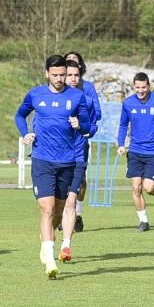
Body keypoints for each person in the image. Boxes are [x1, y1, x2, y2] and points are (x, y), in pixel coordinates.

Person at [15, 55, 90, 278]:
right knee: (47, 208)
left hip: (67, 161)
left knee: (59, 208)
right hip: (42, 159)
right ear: (47, 73)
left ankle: (48, 243)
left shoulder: (76, 97)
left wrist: (80, 124)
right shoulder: (36, 94)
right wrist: (24, 133)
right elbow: (20, 115)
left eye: (63, 75)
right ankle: (49, 258)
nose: (59, 79)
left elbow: (87, 125)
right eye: (55, 74)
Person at [117, 72, 154, 231]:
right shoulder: (128, 104)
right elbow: (122, 125)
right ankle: (144, 221)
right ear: (133, 87)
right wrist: (121, 143)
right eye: (137, 87)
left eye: (144, 87)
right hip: (135, 150)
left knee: (149, 187)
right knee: (136, 187)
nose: (140, 91)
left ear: (149, 86)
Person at [58, 59, 98, 261]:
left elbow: (92, 126)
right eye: (69, 75)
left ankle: (66, 246)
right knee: (55, 207)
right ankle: (49, 242)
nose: (73, 79)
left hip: (77, 154)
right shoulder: (48, 98)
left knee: (71, 200)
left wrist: (83, 127)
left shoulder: (87, 99)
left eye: (76, 75)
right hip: (53, 158)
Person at [65, 51, 102, 232]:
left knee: (80, 180)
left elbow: (97, 115)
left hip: (80, 141)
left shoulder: (87, 89)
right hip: (59, 144)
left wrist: (84, 125)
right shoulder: (52, 92)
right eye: (68, 64)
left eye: (75, 65)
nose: (72, 76)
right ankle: (64, 214)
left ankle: (77, 214)